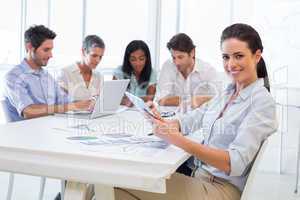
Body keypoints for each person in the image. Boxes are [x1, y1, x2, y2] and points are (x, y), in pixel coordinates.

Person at [114, 23, 278, 200]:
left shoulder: (261, 102)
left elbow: (234, 162)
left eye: (238, 56)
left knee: (115, 186)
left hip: (220, 189)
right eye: (226, 57)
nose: (231, 64)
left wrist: (179, 140)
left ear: (257, 56)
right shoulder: (228, 92)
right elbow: (193, 118)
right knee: (117, 182)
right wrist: (167, 123)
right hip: (198, 176)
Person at [3, 25, 92, 122]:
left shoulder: (46, 76)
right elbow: (29, 111)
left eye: (51, 49)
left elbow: (65, 101)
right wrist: (72, 106)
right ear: (29, 47)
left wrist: (88, 103)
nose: (51, 55)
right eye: (46, 50)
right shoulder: (13, 77)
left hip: (48, 129)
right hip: (25, 134)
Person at [155, 33, 218, 111]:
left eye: (180, 57)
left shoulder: (207, 70)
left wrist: (175, 100)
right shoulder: (168, 66)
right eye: (173, 57)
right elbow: (161, 100)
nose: (176, 62)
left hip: (198, 118)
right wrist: (194, 100)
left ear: (192, 53)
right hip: (171, 116)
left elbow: (219, 100)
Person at [57, 35, 105, 101]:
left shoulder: (99, 76)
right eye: (94, 55)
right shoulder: (65, 73)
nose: (98, 60)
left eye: (100, 57)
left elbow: (100, 101)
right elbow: (60, 103)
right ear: (83, 52)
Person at [113, 40, 157, 106]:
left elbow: (150, 98)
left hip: (141, 112)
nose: (137, 63)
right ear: (128, 59)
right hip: (122, 111)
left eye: (141, 59)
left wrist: (128, 100)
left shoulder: (152, 72)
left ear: (147, 59)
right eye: (133, 59)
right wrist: (126, 101)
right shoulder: (119, 71)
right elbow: (113, 98)